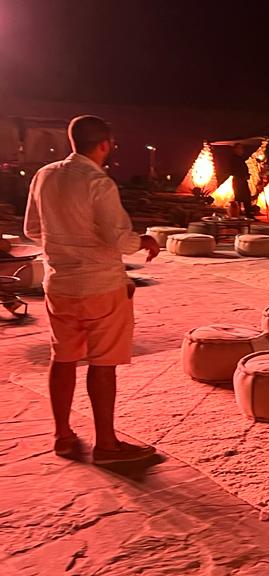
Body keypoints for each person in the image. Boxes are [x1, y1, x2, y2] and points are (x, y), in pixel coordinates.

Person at [23, 115, 161, 463]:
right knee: (103, 364)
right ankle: (107, 445)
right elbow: (119, 240)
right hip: (101, 285)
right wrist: (143, 240)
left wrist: (64, 245)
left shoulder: (44, 175)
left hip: (60, 284)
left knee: (62, 358)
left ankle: (63, 436)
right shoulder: (98, 182)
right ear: (104, 144)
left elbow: (32, 230)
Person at [229, 143, 254, 218]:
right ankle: (238, 214)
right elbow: (234, 170)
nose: (241, 150)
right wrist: (243, 175)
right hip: (238, 180)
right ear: (235, 150)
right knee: (240, 198)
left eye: (242, 148)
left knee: (246, 197)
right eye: (239, 148)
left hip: (242, 180)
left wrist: (247, 174)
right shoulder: (234, 159)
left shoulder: (241, 159)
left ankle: (247, 214)